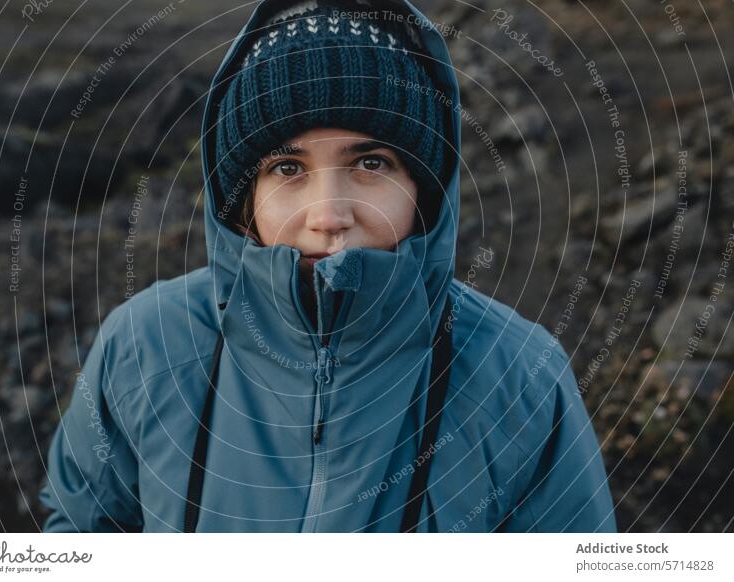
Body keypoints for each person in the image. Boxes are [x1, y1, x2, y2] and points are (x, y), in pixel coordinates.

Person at [39, 0, 617, 532]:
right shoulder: (145, 344)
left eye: (370, 161)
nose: (330, 215)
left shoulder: (518, 374)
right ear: (242, 197)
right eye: (287, 169)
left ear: (424, 188)